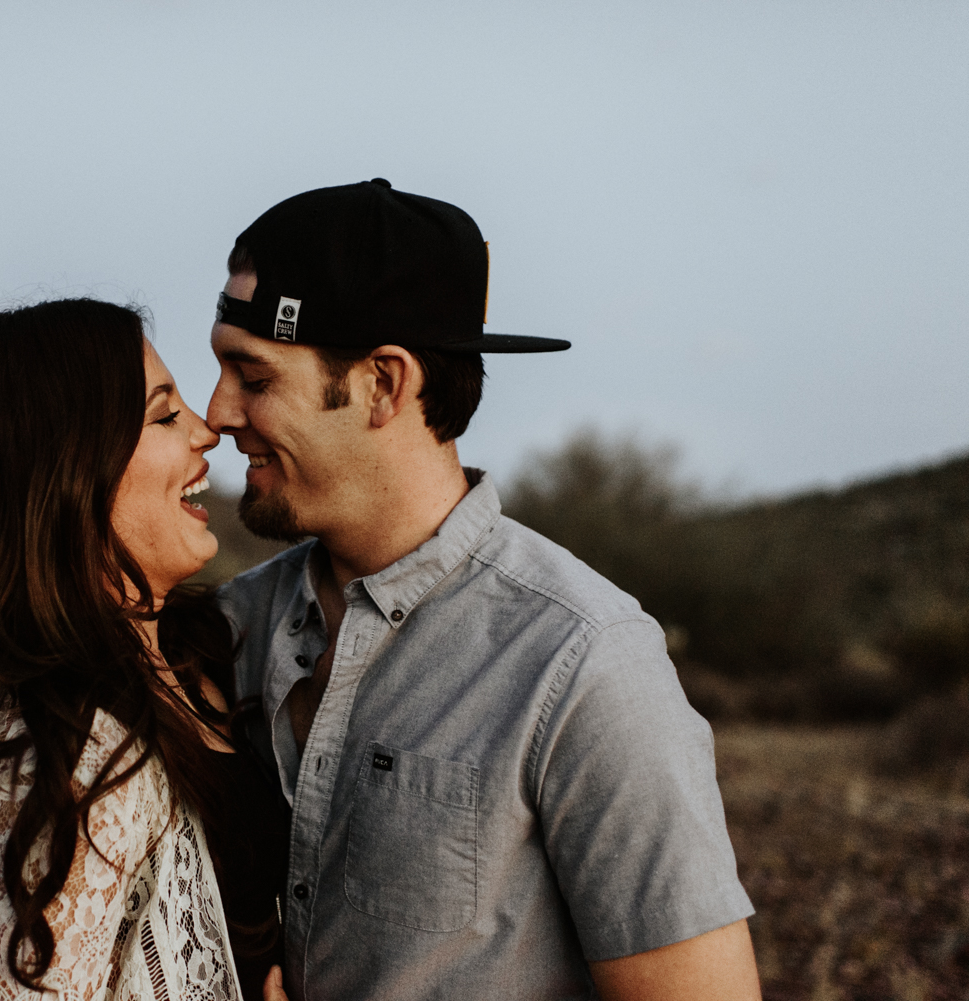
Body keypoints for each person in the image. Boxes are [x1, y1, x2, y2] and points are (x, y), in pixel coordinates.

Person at [207, 180, 762, 1001]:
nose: (217, 410)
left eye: (252, 375)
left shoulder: (583, 663)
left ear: (384, 384)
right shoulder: (227, 628)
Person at [0, 298, 289, 1001]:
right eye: (164, 415)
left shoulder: (198, 652)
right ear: (66, 474)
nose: (205, 430)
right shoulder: (61, 751)